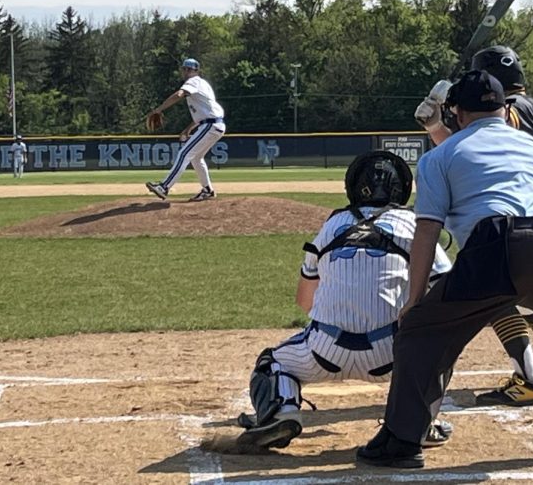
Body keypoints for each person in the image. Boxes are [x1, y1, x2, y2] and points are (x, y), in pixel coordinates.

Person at [357, 70, 533, 469]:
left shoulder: (440, 156)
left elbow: (427, 231)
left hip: (497, 246)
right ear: (504, 109)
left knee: (422, 332)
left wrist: (414, 300)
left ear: (455, 112)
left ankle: (403, 440)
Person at [236, 151, 454, 452]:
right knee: (438, 351)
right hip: (390, 355)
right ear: (402, 188)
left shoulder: (332, 224)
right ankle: (418, 422)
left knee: (272, 362)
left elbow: (304, 300)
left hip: (323, 350)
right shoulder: (414, 224)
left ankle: (282, 410)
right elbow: (446, 286)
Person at [415, 45, 533, 406]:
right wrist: (438, 124)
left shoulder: (514, 109)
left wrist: (442, 113)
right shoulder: (526, 106)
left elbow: (478, 142)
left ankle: (527, 379)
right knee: (526, 294)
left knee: (499, 291)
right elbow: (469, 146)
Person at [145, 58, 225, 202]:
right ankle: (207, 190)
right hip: (213, 124)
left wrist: (158, 109)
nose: (186, 72)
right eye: (185, 69)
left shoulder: (194, 81)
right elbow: (204, 114)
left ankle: (164, 187)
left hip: (210, 125)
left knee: (184, 153)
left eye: (190, 69)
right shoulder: (203, 85)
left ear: (196, 71)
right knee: (195, 158)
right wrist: (188, 129)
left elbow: (179, 95)